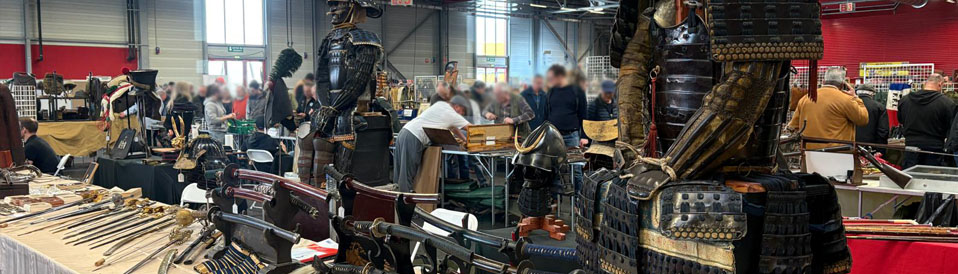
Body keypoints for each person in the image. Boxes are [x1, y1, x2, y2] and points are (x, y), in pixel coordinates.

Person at [394, 95, 471, 192]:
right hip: (414, 136)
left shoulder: (441, 105)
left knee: (399, 172)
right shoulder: (452, 114)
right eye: (462, 111)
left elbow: (453, 128)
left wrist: (464, 139)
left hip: (404, 132)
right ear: (457, 106)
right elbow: (471, 128)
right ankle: (405, 203)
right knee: (407, 175)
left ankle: (395, 200)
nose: (462, 114)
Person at [787, 67, 868, 149]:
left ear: (823, 81)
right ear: (842, 84)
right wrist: (856, 97)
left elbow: (793, 126)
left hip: (809, 152)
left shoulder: (805, 98)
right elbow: (863, 119)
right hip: (837, 152)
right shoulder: (846, 100)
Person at [898, 73, 957, 168]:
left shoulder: (905, 100)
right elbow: (951, 127)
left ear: (925, 83)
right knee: (931, 179)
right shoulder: (947, 103)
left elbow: (901, 120)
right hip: (935, 148)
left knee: (910, 178)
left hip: (910, 145)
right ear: (940, 84)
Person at [545, 65, 588, 148]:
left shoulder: (577, 91)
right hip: (553, 136)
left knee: (574, 160)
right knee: (553, 160)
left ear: (560, 76)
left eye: (551, 78)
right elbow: (546, 114)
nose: (549, 81)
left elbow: (584, 115)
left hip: (572, 136)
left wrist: (584, 136)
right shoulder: (550, 92)